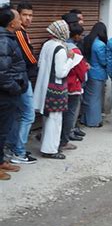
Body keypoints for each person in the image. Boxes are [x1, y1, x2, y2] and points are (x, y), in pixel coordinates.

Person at [33, 20, 82, 159]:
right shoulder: (61, 49)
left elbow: (40, 63)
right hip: (55, 88)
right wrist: (71, 60)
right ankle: (50, 150)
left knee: (47, 118)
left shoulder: (47, 45)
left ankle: (45, 145)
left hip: (44, 85)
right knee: (55, 120)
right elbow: (61, 72)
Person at [6, 2, 38, 164]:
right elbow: (29, 57)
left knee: (18, 114)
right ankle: (18, 150)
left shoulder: (20, 32)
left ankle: (13, 147)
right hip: (21, 79)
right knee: (28, 114)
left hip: (19, 78)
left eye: (31, 15)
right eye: (25, 15)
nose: (28, 18)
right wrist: (37, 67)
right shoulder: (19, 33)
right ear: (17, 17)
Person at [0, 4, 28, 179]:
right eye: (18, 17)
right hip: (5, 95)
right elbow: (2, 74)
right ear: (11, 23)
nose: (21, 20)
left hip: (9, 94)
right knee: (1, 130)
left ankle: (1, 161)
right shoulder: (3, 41)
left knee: (4, 129)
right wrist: (15, 88)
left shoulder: (8, 38)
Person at [60, 24, 89, 150]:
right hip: (73, 86)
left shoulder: (58, 46)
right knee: (70, 114)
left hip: (60, 86)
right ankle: (65, 140)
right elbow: (81, 71)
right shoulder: (75, 50)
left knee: (58, 114)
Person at [81, 22, 108, 127]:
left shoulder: (87, 40)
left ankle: (85, 119)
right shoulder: (100, 45)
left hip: (88, 71)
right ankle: (93, 121)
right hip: (98, 73)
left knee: (88, 97)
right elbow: (103, 61)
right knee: (95, 98)